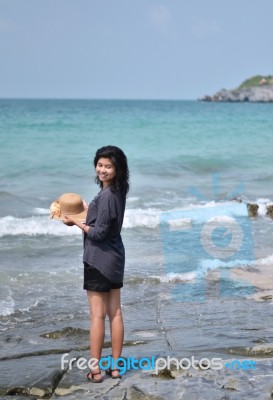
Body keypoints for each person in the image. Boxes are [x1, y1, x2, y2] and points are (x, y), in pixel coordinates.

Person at [63, 145, 129, 383]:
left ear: (117, 168)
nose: (102, 170)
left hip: (98, 259)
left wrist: (75, 221)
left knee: (97, 317)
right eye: (99, 165)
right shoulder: (117, 192)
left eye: (108, 166)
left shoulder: (108, 195)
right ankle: (115, 368)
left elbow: (98, 233)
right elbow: (104, 219)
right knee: (116, 313)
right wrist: (86, 208)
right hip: (115, 258)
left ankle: (96, 371)